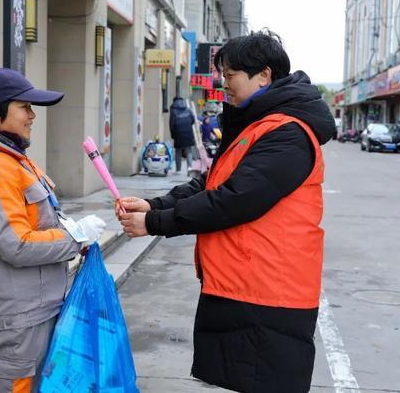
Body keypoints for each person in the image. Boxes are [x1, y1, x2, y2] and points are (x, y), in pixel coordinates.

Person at [117, 30, 336, 392]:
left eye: (230, 75)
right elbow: (211, 182)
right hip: (245, 287)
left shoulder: (288, 133)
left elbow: (235, 200)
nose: (222, 84)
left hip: (269, 295)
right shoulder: (257, 125)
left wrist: (155, 222)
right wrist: (154, 204)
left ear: (264, 75)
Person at [0, 68, 106, 393]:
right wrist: (74, 238)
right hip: (17, 316)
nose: (32, 116)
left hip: (35, 308)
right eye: (25, 107)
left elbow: (38, 221)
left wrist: (72, 231)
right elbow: (16, 244)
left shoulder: (11, 159)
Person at [169, 96, 196, 172]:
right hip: (188, 131)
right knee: (188, 150)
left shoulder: (173, 110)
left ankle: (178, 169)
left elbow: (172, 124)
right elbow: (193, 119)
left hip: (178, 132)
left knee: (178, 150)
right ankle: (189, 167)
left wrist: (173, 134)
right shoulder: (187, 108)